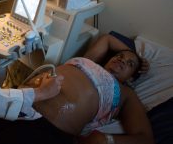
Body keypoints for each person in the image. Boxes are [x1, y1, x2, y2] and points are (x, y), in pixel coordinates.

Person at [20, 33, 154, 144]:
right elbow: (107, 39)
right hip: (18, 100)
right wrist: (136, 56)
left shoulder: (126, 93)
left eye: (130, 64)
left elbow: (145, 138)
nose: (122, 60)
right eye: (119, 56)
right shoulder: (88, 61)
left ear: (131, 78)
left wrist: (107, 139)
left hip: (48, 128)